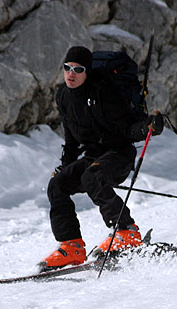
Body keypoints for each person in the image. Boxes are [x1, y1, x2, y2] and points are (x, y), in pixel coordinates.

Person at [40, 46, 164, 271]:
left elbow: (126, 127)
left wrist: (147, 128)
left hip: (118, 154)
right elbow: (71, 139)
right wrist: (65, 167)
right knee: (57, 185)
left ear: (87, 72)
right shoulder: (64, 96)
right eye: (67, 68)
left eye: (78, 69)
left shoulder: (102, 92)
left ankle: (126, 231)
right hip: (93, 156)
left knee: (92, 176)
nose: (71, 74)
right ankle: (72, 246)